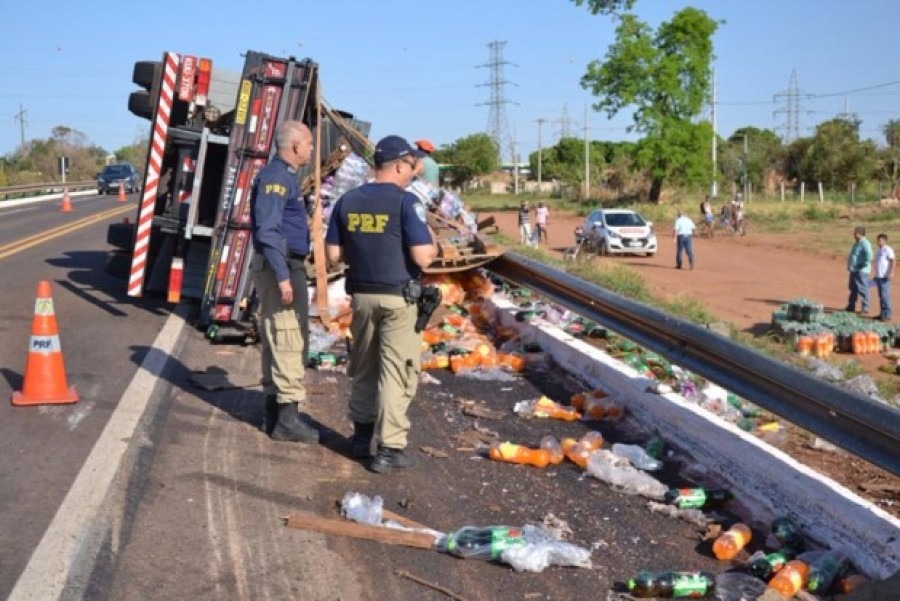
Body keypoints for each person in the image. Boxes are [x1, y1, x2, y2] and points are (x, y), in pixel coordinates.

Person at [325, 135, 437, 474]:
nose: (413, 171)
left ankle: (360, 439)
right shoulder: (406, 203)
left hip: (361, 297)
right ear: (400, 165)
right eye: (411, 165)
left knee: (364, 367)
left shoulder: (348, 200)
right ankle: (389, 449)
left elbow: (333, 256)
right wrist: (431, 243)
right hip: (398, 299)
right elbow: (423, 258)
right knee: (396, 372)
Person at [249, 120, 319, 443]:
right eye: (308, 144)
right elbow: (268, 229)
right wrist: (282, 274)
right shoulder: (276, 178)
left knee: (278, 336)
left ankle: (274, 414)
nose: (312, 149)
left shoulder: (285, 177)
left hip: (285, 265)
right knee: (289, 337)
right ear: (294, 146)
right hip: (282, 266)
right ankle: (287, 420)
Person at [845, 226, 874, 315]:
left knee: (863, 289)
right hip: (854, 270)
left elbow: (870, 255)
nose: (853, 234)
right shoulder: (857, 243)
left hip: (861, 271)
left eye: (855, 233)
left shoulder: (865, 243)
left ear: (859, 234)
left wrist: (863, 265)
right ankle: (851, 306)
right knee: (853, 288)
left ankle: (865, 308)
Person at [873, 233, 895, 321]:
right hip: (879, 276)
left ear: (885, 241)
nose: (878, 242)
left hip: (885, 277)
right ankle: (882, 314)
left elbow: (892, 261)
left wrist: (891, 272)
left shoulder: (888, 249)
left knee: (885, 296)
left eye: (880, 240)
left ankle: (888, 315)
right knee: (881, 296)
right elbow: (878, 263)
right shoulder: (879, 250)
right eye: (878, 240)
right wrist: (876, 275)